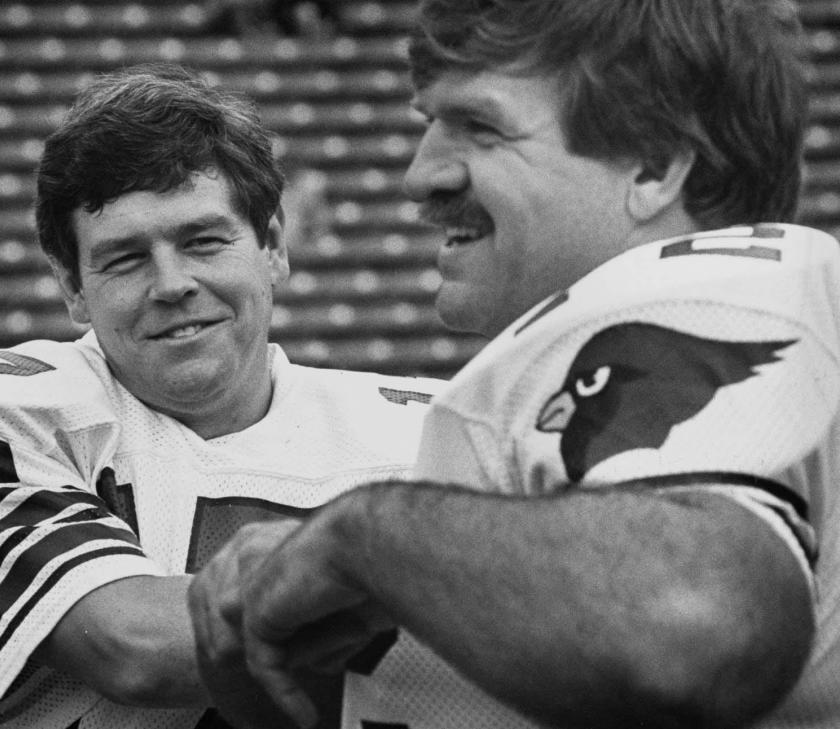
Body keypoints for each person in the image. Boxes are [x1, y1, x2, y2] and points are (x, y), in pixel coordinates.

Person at [189, 1, 840, 728]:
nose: (419, 175)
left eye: (480, 126)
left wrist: (364, 535)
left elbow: (700, 623)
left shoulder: (708, 289)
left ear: (654, 166)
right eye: (427, 122)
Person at [0, 63, 444, 729]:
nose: (172, 282)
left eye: (203, 241)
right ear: (71, 288)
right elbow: (135, 650)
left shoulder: (437, 424)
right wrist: (438, 574)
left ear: (271, 246)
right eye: (124, 258)